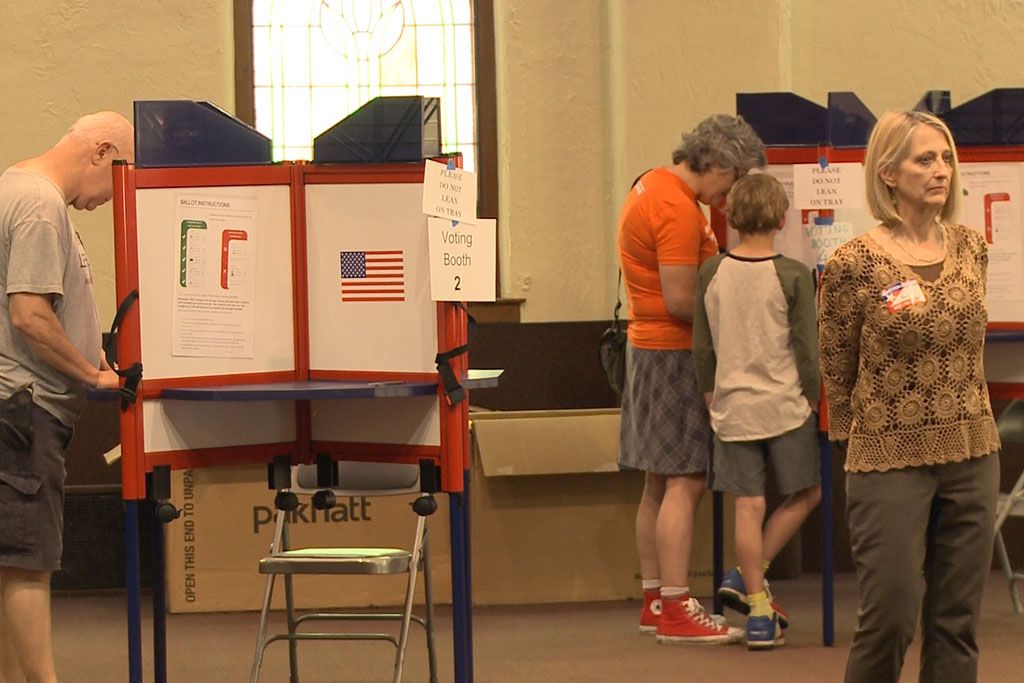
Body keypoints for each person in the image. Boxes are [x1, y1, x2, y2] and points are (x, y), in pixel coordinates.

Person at [818, 110, 1001, 683]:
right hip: (888, 460)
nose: (941, 170)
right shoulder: (854, 263)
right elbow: (836, 365)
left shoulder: (972, 248)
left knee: (956, 622)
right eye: (925, 159)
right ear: (888, 173)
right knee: (890, 617)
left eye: (946, 157)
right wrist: (857, 443)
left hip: (973, 452)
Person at [617, 114, 765, 645]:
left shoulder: (653, 185)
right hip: (675, 354)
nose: (730, 195)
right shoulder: (676, 207)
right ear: (718, 162)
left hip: (650, 348)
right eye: (734, 180)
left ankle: (657, 597)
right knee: (686, 478)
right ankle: (677, 607)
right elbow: (682, 300)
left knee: (659, 479)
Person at [0, 111, 133, 681]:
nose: (114, 196)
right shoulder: (40, 205)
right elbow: (29, 314)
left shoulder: (17, 185)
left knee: (12, 564)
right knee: (29, 565)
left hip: (19, 406)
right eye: (119, 174)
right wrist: (92, 373)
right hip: (23, 411)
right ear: (100, 151)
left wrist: (94, 353)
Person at [691, 173, 822, 650]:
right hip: (786, 405)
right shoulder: (793, 274)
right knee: (806, 494)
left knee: (748, 505)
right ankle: (754, 570)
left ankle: (758, 610)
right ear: (782, 218)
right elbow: (807, 345)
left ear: (730, 216)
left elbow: (702, 346)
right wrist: (813, 393)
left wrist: (710, 393)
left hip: (731, 406)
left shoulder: (710, 271)